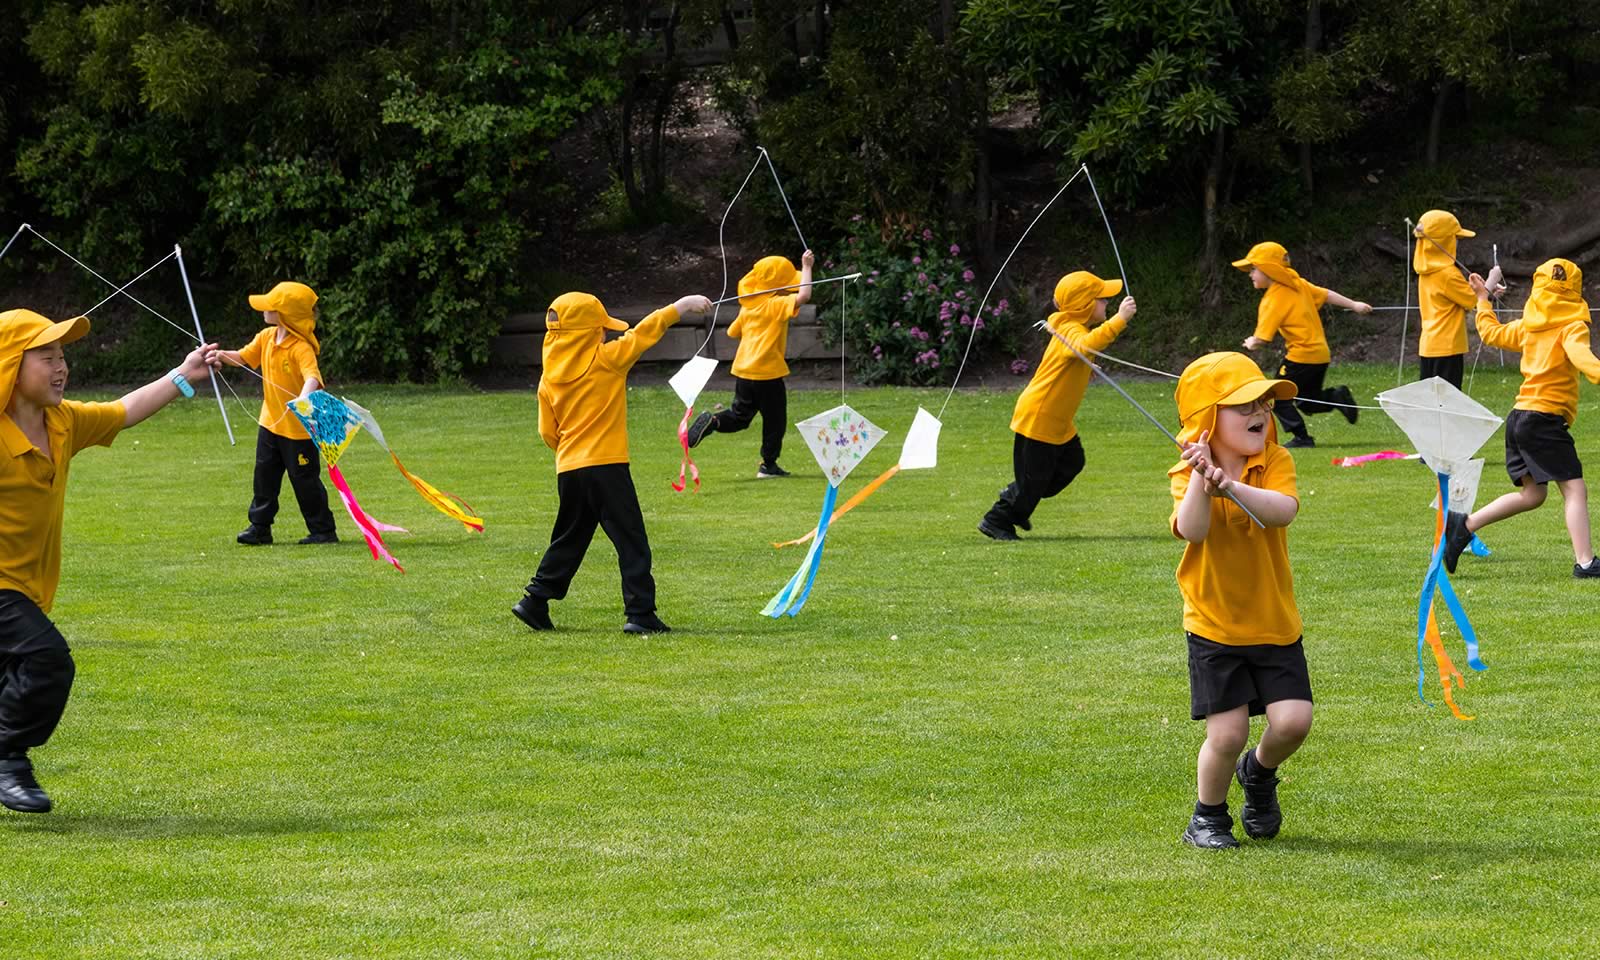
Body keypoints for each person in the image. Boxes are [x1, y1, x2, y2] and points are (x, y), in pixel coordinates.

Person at [0, 307, 221, 813]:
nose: (61, 368)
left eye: (62, 357)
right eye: (46, 357)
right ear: (10, 365)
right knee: (47, 661)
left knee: (18, 676)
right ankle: (7, 757)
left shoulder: (63, 423)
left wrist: (184, 376)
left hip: (27, 587)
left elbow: (123, 410)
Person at [1169, 352, 1312, 849]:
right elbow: (1192, 529)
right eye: (1242, 404)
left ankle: (1258, 772)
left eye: (1264, 402)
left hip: (1274, 621)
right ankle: (1206, 817)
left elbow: (1282, 512)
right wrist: (1202, 486)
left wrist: (1231, 486)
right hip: (1215, 624)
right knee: (1226, 735)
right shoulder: (1185, 471)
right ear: (1207, 420)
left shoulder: (1274, 461)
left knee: (1294, 723)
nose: (1260, 411)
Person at [514, 291, 712, 634]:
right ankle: (641, 614)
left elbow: (547, 432)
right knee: (631, 539)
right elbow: (643, 334)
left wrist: (571, 453)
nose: (605, 334)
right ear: (590, 334)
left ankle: (535, 599)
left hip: (569, 470)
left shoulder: (548, 379)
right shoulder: (606, 360)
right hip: (607, 468)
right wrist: (679, 307)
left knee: (570, 537)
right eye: (600, 330)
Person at [1442, 259, 1600, 578]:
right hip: (1543, 419)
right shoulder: (1572, 326)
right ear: (1575, 291)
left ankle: (1463, 526)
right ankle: (1586, 563)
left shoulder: (1530, 325)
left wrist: (1483, 300)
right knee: (1574, 490)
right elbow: (1582, 357)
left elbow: (1491, 333)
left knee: (1533, 495)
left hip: (1519, 418)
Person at [978, 271, 1135, 541]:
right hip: (1039, 417)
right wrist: (1119, 319)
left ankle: (1022, 501)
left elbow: (1074, 355)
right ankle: (998, 518)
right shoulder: (1071, 330)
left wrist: (1085, 369)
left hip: (1058, 421)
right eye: (1103, 299)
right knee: (1033, 480)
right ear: (1086, 305)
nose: (1107, 304)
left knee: (1072, 463)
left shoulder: (1070, 328)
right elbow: (1086, 344)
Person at [220, 281, 337, 546]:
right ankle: (260, 528)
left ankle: (323, 531)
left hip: (299, 431)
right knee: (264, 477)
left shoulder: (301, 347)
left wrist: (303, 396)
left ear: (286, 314)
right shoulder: (266, 338)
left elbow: (313, 377)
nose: (265, 309)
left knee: (305, 480)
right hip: (269, 424)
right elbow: (242, 357)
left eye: (271, 306)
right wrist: (217, 355)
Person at [685, 251, 814, 478]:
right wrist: (807, 266)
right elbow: (804, 295)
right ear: (777, 287)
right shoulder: (775, 305)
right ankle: (768, 465)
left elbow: (732, 332)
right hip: (767, 372)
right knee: (775, 420)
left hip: (744, 371)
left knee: (740, 416)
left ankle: (713, 422)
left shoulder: (749, 307)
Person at [1235, 241, 1372, 448]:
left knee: (1276, 398)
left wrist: (1252, 342)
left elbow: (1262, 339)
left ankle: (1302, 438)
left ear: (1268, 269)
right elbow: (1326, 294)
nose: (1250, 274)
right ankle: (1336, 397)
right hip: (1320, 355)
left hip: (1301, 357)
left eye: (1254, 269)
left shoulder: (1273, 299)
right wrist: (1354, 304)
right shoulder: (1298, 284)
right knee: (1308, 401)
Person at [1412, 209, 1491, 389]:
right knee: (1448, 403)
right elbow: (1476, 300)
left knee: (1432, 401)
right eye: (1454, 238)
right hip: (1448, 347)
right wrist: (1492, 280)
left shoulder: (1426, 273)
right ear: (1445, 242)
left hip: (1429, 346)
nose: (1456, 242)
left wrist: (1486, 288)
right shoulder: (1448, 274)